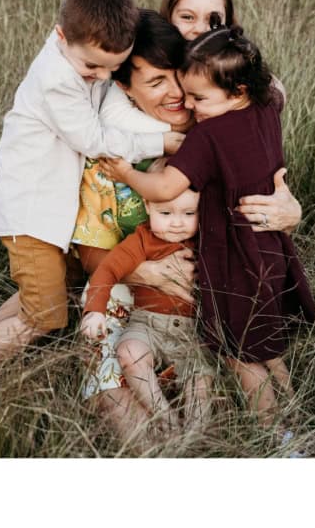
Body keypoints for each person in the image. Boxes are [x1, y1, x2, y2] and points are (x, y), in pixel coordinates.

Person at [101, 25, 315, 425]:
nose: (191, 105)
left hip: (235, 259)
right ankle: (298, 412)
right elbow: (272, 85)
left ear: (237, 91)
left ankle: (275, 433)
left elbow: (165, 187)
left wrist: (128, 174)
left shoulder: (209, 135)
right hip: (272, 250)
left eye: (200, 97)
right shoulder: (265, 106)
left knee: (240, 354)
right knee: (268, 343)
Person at [0, 0, 184, 366]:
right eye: (94, 68)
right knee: (45, 315)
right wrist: (162, 142)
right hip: (32, 216)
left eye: (113, 69)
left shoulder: (82, 49)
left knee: (49, 288)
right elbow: (94, 138)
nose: (103, 78)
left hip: (53, 214)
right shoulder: (56, 80)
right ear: (60, 36)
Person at [80, 175, 217, 436]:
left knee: (200, 379)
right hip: (147, 322)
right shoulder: (143, 239)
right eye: (165, 212)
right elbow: (107, 269)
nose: (177, 223)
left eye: (189, 213)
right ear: (147, 206)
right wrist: (95, 311)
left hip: (190, 330)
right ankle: (164, 416)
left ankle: (195, 437)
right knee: (129, 352)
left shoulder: (204, 240)